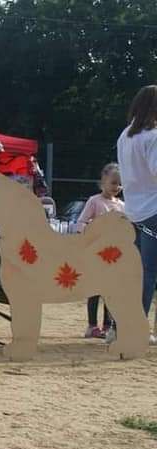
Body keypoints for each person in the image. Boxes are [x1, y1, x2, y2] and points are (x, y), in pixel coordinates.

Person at [116, 85, 157, 343]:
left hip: (133, 211)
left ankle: (123, 325)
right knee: (147, 272)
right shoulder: (153, 136)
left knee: (136, 271)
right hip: (154, 209)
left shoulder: (125, 135)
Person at [75, 163, 123, 338]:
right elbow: (81, 222)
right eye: (113, 183)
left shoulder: (122, 205)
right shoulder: (94, 201)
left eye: (119, 183)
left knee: (110, 291)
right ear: (103, 182)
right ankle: (92, 326)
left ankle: (107, 326)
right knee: (95, 290)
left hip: (114, 256)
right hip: (95, 254)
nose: (116, 187)